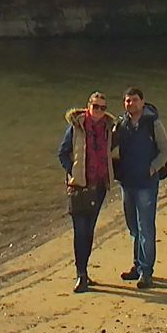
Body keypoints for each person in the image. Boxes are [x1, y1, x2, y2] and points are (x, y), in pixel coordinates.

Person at [113, 87, 167, 290]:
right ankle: (137, 266)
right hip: (127, 183)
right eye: (128, 101)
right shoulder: (121, 124)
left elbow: (165, 150)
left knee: (146, 228)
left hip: (147, 183)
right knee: (133, 228)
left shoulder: (152, 123)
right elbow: (110, 147)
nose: (131, 104)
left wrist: (152, 168)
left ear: (142, 102)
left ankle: (146, 272)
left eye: (135, 100)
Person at [57, 91, 115, 294]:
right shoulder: (76, 127)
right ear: (88, 106)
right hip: (79, 186)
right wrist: (72, 171)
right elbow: (62, 152)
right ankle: (80, 274)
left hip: (98, 187)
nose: (99, 111)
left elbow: (113, 149)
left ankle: (85, 271)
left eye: (103, 107)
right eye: (95, 106)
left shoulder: (108, 129)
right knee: (80, 230)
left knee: (89, 231)